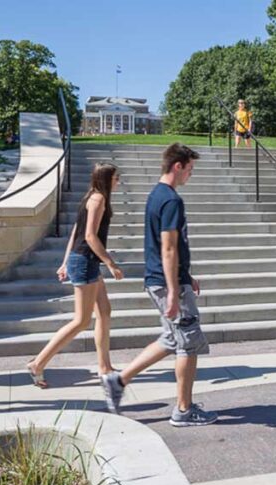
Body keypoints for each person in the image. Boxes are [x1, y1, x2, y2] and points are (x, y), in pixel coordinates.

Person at [100, 144, 217, 427]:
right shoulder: (171, 200)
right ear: (177, 166)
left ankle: (119, 380)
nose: (191, 174)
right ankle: (183, 410)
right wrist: (175, 290)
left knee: (172, 338)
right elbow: (168, 248)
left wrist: (186, 276)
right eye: (190, 169)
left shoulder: (156, 195)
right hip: (167, 283)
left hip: (161, 279)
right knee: (187, 344)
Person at [25, 164, 124, 388]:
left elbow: (75, 232)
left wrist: (65, 262)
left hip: (83, 260)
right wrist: (111, 263)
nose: (118, 181)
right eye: (116, 178)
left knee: (105, 312)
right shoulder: (98, 199)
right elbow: (88, 236)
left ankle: (104, 366)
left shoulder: (92, 196)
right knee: (81, 320)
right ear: (107, 179)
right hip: (86, 261)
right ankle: (38, 363)